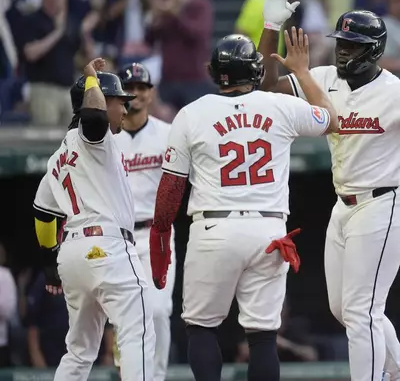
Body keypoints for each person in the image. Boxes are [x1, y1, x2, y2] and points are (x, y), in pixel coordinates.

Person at [258, 0, 400, 380]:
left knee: (360, 312)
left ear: (373, 50)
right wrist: (270, 28)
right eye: (341, 43)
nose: (342, 52)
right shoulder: (321, 79)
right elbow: (265, 87)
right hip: (345, 205)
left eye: (352, 45)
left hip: (386, 201)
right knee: (344, 309)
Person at [148, 33, 339, 381]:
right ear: (254, 71)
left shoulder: (192, 114)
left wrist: (160, 234)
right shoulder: (279, 105)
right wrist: (302, 72)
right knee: (263, 336)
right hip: (268, 232)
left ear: (214, 71)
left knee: (201, 327)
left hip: (214, 228)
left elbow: (171, 187)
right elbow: (332, 118)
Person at [32, 58, 156, 381]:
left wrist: (50, 266)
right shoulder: (94, 137)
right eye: (119, 102)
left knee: (79, 350)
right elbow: (94, 118)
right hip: (108, 247)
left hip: (72, 255)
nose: (125, 110)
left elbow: (44, 214)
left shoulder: (59, 155)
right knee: (137, 330)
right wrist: (91, 78)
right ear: (97, 99)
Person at [113, 62, 175, 381]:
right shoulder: (107, 140)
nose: (135, 93)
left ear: (150, 94)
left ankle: (157, 377)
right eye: (129, 88)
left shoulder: (168, 134)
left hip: (156, 232)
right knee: (125, 318)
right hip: (117, 237)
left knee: (160, 312)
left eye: (141, 88)